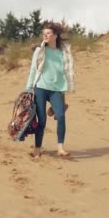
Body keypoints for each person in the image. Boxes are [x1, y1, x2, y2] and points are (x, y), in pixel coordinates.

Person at [25, 21, 74, 158]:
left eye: (48, 33)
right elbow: (33, 70)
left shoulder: (63, 52)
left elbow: (66, 71)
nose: (45, 36)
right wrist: (28, 88)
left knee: (61, 116)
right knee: (42, 121)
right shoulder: (39, 50)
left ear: (55, 36)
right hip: (40, 87)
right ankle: (37, 149)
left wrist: (65, 88)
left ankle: (60, 148)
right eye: (44, 34)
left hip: (56, 89)